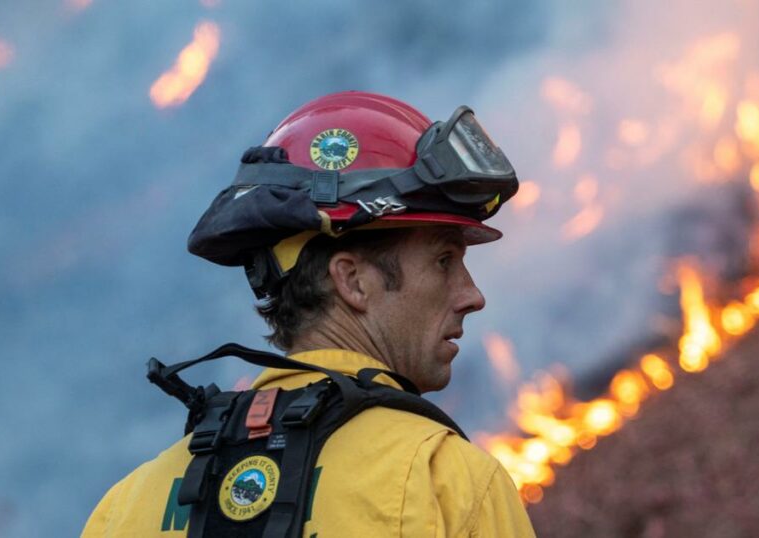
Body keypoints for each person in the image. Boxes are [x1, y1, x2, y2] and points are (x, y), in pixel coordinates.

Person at [82, 91, 536, 537]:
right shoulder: (448, 486)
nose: (472, 295)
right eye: (443, 261)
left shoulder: (124, 510)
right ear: (352, 280)